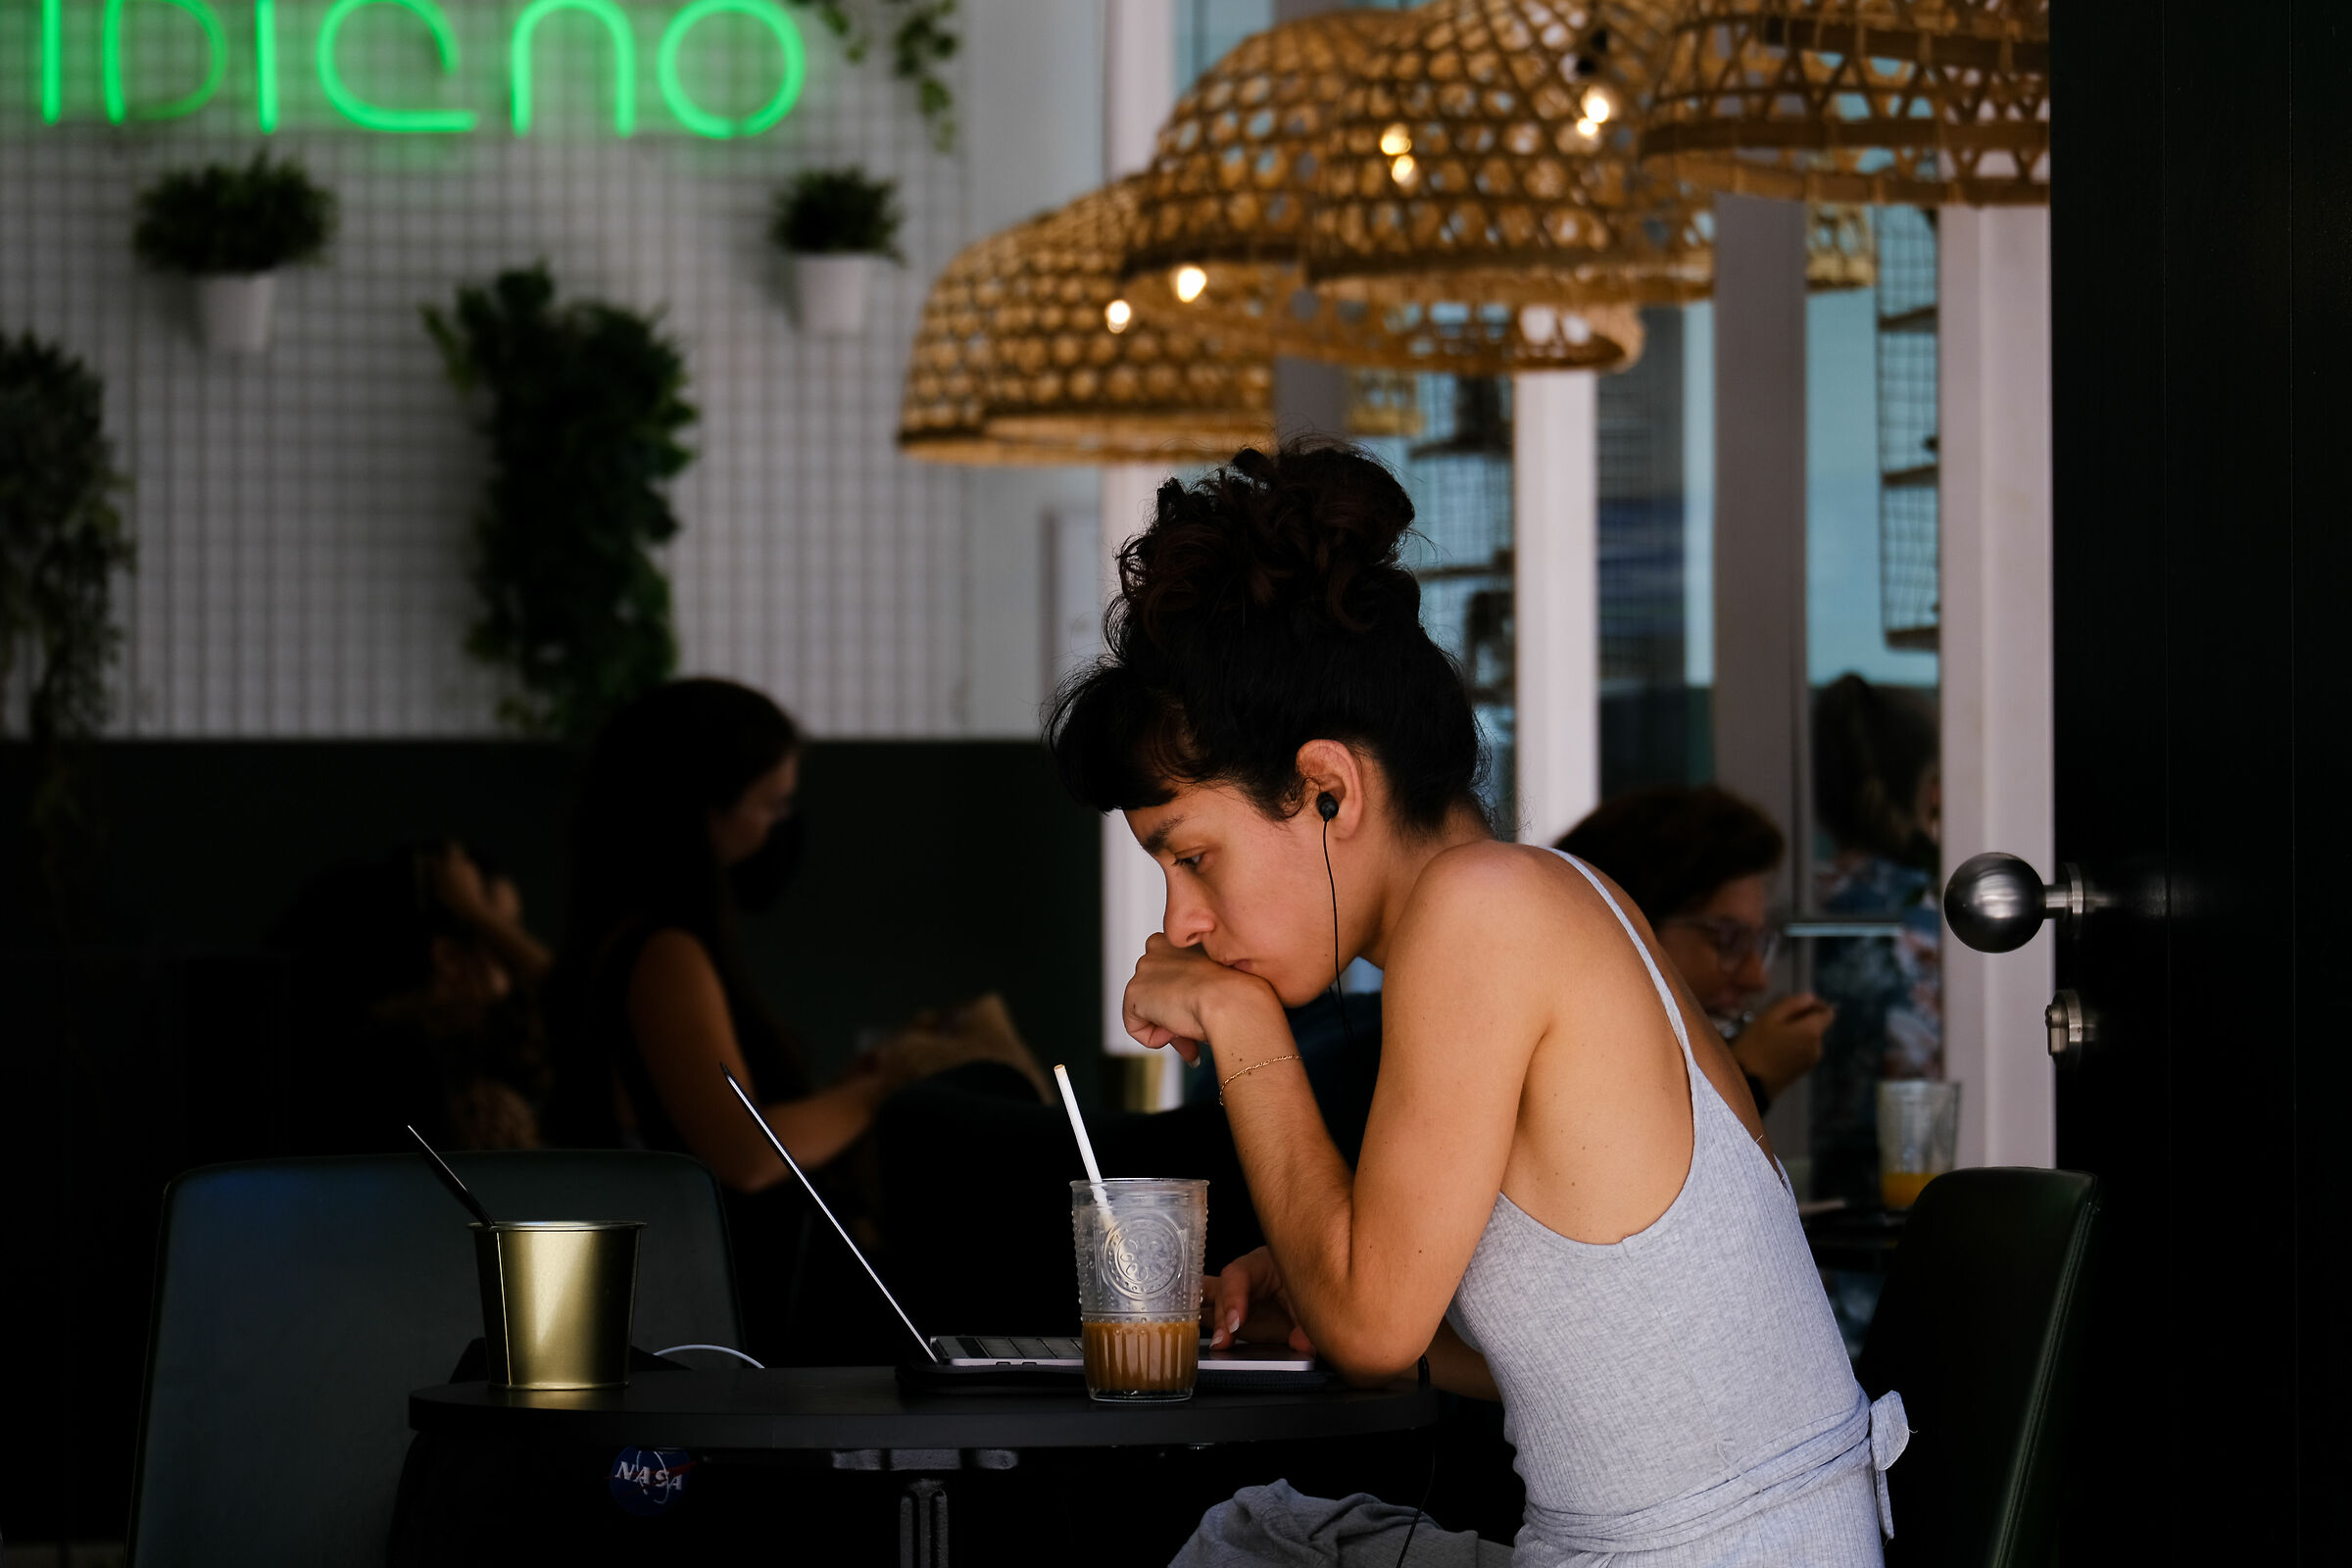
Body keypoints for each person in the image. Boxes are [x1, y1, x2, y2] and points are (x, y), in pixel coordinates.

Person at [1051, 443, 1903, 1565]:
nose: (1185, 920)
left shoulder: (1484, 907)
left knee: (1246, 1552)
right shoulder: (1545, 897)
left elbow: (1373, 1329)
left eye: (1194, 856)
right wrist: (1314, 1281)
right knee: (1255, 1541)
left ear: (1328, 788)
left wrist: (1243, 1024)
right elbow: (1595, 1359)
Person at [542, 677, 1036, 1356]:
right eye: (771, 805)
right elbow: (747, 1152)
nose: (781, 828)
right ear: (702, 810)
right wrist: (884, 1086)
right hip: (737, 1334)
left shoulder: (624, 941)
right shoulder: (663, 955)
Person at [1555, 785, 1834, 1115]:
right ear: (1627, 932)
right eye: (1729, 940)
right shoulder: (1562, 1076)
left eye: (1760, 942)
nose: (1756, 977)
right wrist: (1750, 1080)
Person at [273, 841, 552, 1152]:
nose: (514, 974)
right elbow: (567, 995)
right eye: (499, 936)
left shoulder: (313, 1048)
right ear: (447, 958)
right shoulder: (427, 1081)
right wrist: (476, 911)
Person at [1809, 673, 1943, 1208]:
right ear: (1931, 791)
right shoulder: (1934, 917)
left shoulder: (1797, 909)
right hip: (1914, 1200)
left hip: (1800, 1192)